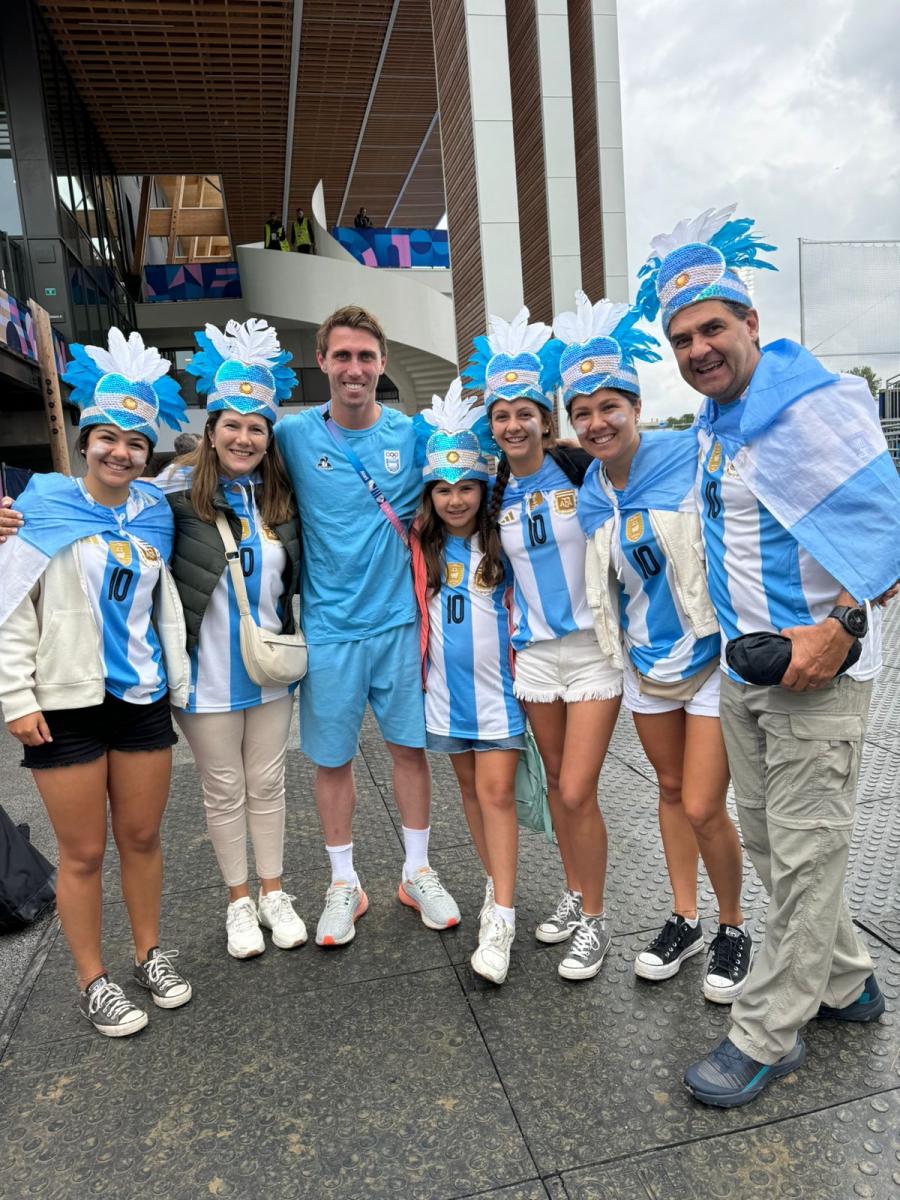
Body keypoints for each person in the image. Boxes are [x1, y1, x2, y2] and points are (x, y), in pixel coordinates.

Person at [636, 204, 900, 1107]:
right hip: (750, 677)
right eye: (682, 338)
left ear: (751, 323)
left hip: (819, 680)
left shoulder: (812, 409)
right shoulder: (718, 423)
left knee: (808, 856)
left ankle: (766, 1034)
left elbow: (890, 536)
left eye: (713, 328)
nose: (699, 348)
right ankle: (848, 980)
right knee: (775, 848)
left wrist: (844, 628)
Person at [557, 292, 751, 1002]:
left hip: (709, 660)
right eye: (582, 413)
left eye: (609, 407)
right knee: (670, 792)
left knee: (703, 803)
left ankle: (734, 924)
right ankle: (686, 915)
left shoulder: (688, 452)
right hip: (644, 662)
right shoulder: (589, 490)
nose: (597, 422)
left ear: (636, 407)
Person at [0, 329, 193, 1037]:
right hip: (64, 707)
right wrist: (15, 698)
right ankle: (94, 980)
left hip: (140, 699)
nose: (121, 452)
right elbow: (12, 608)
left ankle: (149, 955)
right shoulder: (41, 509)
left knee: (142, 838)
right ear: (85, 441)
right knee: (83, 853)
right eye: (108, 437)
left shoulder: (154, 515)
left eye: (136, 443)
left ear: (149, 453)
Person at [273, 306, 460, 947]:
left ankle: (417, 871)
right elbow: (217, 463)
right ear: (322, 361)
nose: (355, 369)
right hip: (328, 630)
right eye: (343, 356)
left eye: (366, 357)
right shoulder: (293, 436)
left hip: (400, 625)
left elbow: (481, 469)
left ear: (381, 364)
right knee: (333, 760)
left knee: (410, 752)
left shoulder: (411, 435)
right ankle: (343, 883)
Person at [463, 309, 623, 981]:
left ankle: (596, 919)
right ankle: (575, 891)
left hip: (592, 652)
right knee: (558, 786)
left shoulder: (582, 471)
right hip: (534, 660)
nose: (513, 426)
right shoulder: (493, 491)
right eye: (501, 416)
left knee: (580, 789)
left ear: (545, 420)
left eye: (525, 413)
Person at [156, 318, 306, 959]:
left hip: (268, 672)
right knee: (223, 789)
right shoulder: (167, 498)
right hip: (206, 677)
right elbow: (94, 507)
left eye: (256, 426)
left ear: (268, 437)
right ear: (211, 432)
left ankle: (275, 891)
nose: (244, 437)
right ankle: (239, 901)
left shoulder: (281, 500)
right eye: (231, 425)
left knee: (268, 784)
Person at [412, 380, 524, 984]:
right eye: (444, 489)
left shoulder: (501, 541)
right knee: (471, 796)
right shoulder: (421, 544)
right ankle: (493, 882)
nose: (456, 500)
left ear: (484, 488)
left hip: (498, 699)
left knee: (497, 795)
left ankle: (501, 916)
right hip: (443, 703)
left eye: (466, 488)